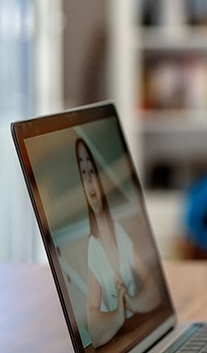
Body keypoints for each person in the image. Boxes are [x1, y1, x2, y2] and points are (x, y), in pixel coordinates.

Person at [75, 137, 162, 346]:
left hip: (141, 330)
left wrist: (132, 302)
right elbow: (94, 327)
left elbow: (153, 290)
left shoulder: (119, 232)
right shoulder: (93, 247)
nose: (89, 181)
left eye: (92, 172)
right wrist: (119, 314)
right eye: (83, 173)